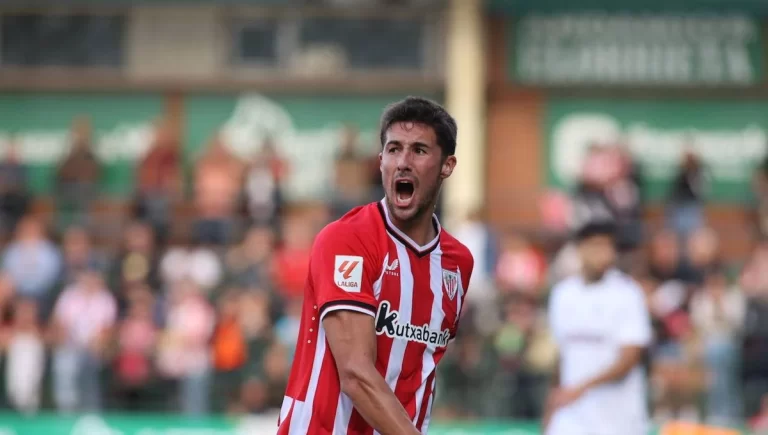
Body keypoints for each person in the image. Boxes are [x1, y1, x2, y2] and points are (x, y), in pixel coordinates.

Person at [277, 97, 474, 435]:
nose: (403, 163)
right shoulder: (346, 240)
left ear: (447, 165)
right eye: (394, 149)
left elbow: (421, 369)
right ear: (380, 160)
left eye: (420, 151)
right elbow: (355, 373)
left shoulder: (458, 263)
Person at [543, 217, 652, 435]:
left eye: (608, 247)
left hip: (618, 420)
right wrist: (551, 408)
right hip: (571, 419)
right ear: (580, 249)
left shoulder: (627, 292)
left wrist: (582, 388)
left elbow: (629, 358)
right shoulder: (562, 294)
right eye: (596, 246)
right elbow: (561, 356)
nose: (604, 254)